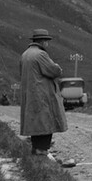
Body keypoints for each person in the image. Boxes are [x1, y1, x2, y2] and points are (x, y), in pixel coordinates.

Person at [19, 28, 67, 156]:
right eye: (47, 41)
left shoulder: (25, 54)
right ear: (43, 41)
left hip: (30, 93)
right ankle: (42, 150)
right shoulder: (41, 55)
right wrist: (58, 67)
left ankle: (36, 148)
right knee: (46, 122)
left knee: (36, 122)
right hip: (42, 94)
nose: (47, 44)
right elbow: (53, 71)